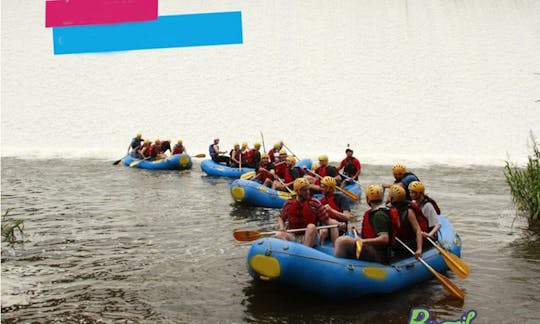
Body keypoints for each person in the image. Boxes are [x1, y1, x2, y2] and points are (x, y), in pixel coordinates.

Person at [334, 185, 394, 264]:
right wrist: (358, 233)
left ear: (368, 199)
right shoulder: (377, 212)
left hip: (378, 254)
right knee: (346, 239)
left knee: (341, 241)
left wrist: (363, 241)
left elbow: (384, 239)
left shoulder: (379, 215)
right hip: (374, 248)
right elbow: (373, 233)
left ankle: (338, 266)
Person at [275, 178, 341, 247]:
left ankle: (306, 251)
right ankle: (289, 252)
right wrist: (282, 228)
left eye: (308, 189)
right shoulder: (289, 203)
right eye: (304, 190)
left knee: (311, 227)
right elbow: (281, 217)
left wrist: (338, 224)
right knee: (278, 234)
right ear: (298, 191)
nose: (308, 192)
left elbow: (327, 220)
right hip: (294, 236)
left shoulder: (314, 202)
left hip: (311, 236)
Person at [389, 185, 425, 259]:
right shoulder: (392, 209)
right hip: (400, 241)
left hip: (409, 242)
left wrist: (419, 249)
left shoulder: (409, 211)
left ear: (393, 198)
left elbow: (418, 230)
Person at [318, 176, 355, 244]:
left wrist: (331, 210)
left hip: (340, 227)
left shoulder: (341, 198)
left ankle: (335, 247)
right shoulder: (322, 200)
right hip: (326, 226)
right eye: (321, 186)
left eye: (323, 187)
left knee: (332, 225)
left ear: (329, 188)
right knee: (323, 231)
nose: (321, 189)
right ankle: (320, 247)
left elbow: (347, 217)